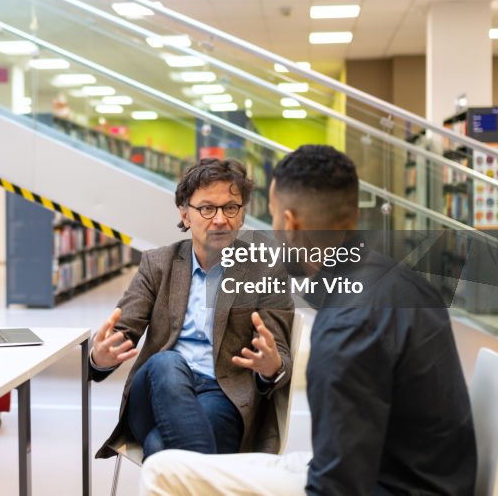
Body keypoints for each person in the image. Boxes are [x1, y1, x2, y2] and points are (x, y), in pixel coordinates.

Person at [140, 145, 477, 495]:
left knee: (161, 472)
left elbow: (338, 488)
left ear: (290, 224)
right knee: (171, 462)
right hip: (406, 473)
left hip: (385, 485)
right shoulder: (397, 279)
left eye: (271, 217)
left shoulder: (348, 324)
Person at [90, 158, 295, 460]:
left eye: (230, 208)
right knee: (166, 363)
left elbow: (280, 359)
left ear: (242, 215)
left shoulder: (266, 271)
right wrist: (100, 358)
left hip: (223, 394)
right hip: (155, 390)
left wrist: (271, 368)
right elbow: (120, 334)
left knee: (161, 449)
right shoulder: (158, 264)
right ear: (185, 214)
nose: (220, 219)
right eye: (207, 208)